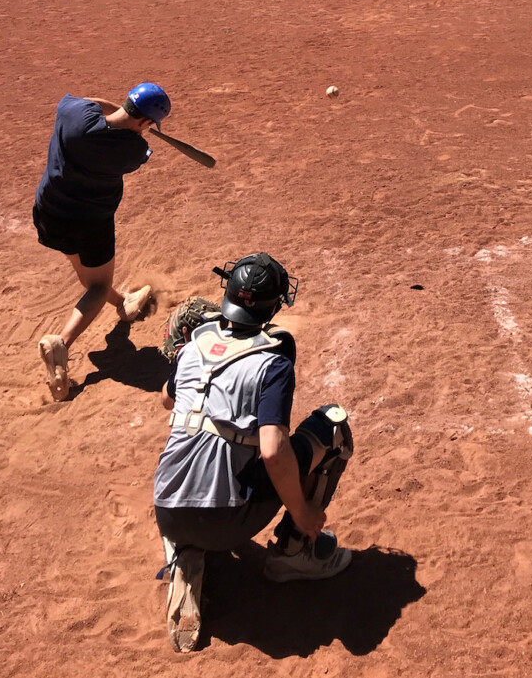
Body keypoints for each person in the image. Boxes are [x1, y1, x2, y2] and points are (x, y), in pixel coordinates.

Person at [154, 253, 354, 653]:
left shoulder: (195, 346)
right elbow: (273, 451)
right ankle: (293, 554)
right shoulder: (273, 360)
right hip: (229, 518)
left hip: (167, 511)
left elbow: (167, 400)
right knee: (332, 429)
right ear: (274, 305)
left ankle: (186, 556)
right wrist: (302, 512)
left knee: (192, 443)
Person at [33, 82, 171, 402]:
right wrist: (138, 128)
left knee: (86, 274)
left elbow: (92, 103)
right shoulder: (133, 151)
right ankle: (61, 344)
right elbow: (137, 144)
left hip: (50, 211)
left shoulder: (71, 114)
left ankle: (124, 304)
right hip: (90, 223)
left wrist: (127, 113)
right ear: (147, 124)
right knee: (96, 286)